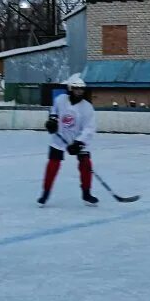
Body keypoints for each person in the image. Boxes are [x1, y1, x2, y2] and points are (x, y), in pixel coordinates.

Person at [38, 73, 98, 206]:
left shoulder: (87, 107)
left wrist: (78, 143)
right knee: (53, 164)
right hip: (60, 138)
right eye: (76, 88)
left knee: (86, 165)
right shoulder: (60, 99)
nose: (79, 91)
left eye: (81, 89)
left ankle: (86, 193)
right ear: (70, 89)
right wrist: (52, 122)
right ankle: (45, 193)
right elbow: (54, 112)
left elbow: (89, 128)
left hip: (78, 140)